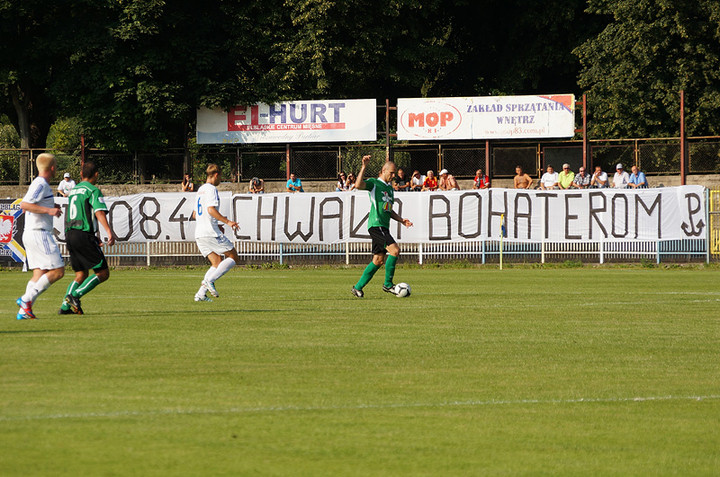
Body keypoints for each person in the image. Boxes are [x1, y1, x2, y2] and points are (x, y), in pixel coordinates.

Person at [58, 161, 116, 315]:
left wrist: (93, 234)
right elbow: (99, 212)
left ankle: (64, 307)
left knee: (81, 274)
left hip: (70, 234)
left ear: (81, 175)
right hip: (83, 234)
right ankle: (74, 296)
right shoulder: (93, 190)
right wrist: (109, 232)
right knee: (103, 273)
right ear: (96, 174)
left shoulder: (74, 191)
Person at [351, 155, 413, 298]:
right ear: (383, 171)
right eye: (391, 172)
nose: (393, 175)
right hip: (376, 225)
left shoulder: (389, 189)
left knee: (378, 260)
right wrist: (364, 167)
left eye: (394, 173)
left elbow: (388, 210)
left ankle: (358, 287)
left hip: (383, 227)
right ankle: (388, 284)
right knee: (395, 250)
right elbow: (359, 185)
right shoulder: (374, 184)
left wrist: (402, 220)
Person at [15, 153, 64, 319]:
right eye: (56, 166)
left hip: (32, 233)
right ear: (52, 168)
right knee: (58, 271)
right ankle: (25, 300)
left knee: (39, 273)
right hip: (39, 233)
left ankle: (24, 312)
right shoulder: (41, 183)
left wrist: (50, 205)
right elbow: (24, 204)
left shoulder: (40, 184)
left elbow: (30, 204)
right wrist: (49, 210)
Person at [191, 164, 240, 302]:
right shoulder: (211, 189)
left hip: (199, 233)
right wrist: (227, 221)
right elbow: (211, 210)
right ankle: (210, 280)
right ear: (217, 175)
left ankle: (200, 294)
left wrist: (217, 223)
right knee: (233, 257)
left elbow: (195, 214)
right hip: (210, 232)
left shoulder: (200, 190)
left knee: (216, 262)